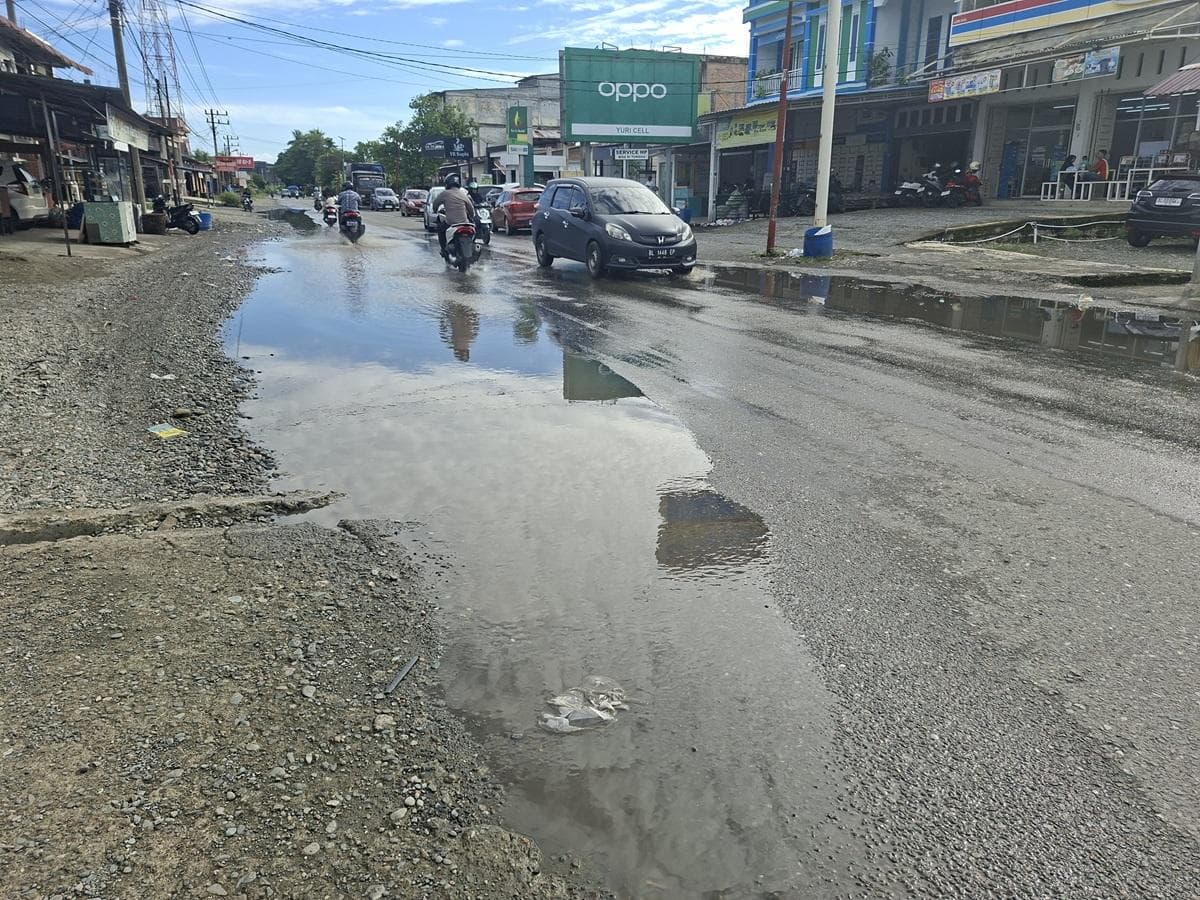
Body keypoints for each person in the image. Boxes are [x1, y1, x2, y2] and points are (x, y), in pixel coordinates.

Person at [432, 172, 475, 256]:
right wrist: (472, 216)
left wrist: (435, 210)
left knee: (441, 229)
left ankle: (444, 250)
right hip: (465, 223)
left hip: (451, 223)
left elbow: (435, 204)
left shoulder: (445, 193)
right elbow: (471, 208)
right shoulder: (463, 194)